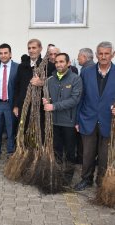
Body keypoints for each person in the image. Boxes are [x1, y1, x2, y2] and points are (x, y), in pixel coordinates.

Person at [74, 41, 115, 191]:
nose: (103, 56)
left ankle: (102, 181)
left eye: (107, 53)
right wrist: (77, 119)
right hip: (88, 118)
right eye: (101, 53)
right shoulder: (86, 72)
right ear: (97, 55)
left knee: (105, 156)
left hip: (109, 121)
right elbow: (80, 97)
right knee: (88, 154)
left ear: (112, 54)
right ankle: (86, 179)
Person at [43, 53, 83, 185]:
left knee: (70, 151)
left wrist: (54, 106)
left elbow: (74, 100)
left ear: (68, 63)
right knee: (57, 150)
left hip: (69, 122)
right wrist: (46, 100)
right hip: (54, 122)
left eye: (62, 62)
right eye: (57, 62)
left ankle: (68, 177)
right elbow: (49, 97)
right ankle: (58, 173)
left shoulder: (75, 79)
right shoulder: (50, 80)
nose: (59, 64)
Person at [0, 43, 18, 163]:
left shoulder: (18, 67)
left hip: (11, 104)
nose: (3, 55)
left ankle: (11, 152)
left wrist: (17, 105)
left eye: (5, 53)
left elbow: (19, 88)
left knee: (11, 130)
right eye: (0, 53)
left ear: (10, 54)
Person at [75, 48, 95, 164]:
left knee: (85, 139)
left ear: (84, 57)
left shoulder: (86, 70)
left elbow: (82, 92)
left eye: (79, 57)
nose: (77, 59)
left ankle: (83, 159)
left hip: (87, 109)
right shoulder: (92, 67)